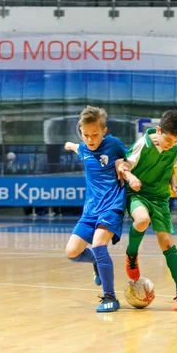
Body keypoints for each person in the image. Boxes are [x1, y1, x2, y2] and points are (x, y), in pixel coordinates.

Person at [117, 110, 177, 311]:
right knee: (141, 220)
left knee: (166, 242)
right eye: (168, 139)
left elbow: (170, 170)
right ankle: (131, 255)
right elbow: (123, 167)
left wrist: (174, 185)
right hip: (138, 194)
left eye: (176, 140)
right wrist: (131, 179)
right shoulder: (142, 144)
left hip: (160, 198)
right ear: (158, 131)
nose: (171, 143)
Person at [64, 105, 127, 313]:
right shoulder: (83, 148)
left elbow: (133, 157)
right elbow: (78, 148)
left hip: (112, 206)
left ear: (104, 131)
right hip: (90, 211)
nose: (90, 140)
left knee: (99, 244)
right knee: (72, 252)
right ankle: (96, 262)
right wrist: (71, 145)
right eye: (85, 135)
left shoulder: (114, 145)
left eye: (95, 135)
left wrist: (124, 165)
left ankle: (110, 297)